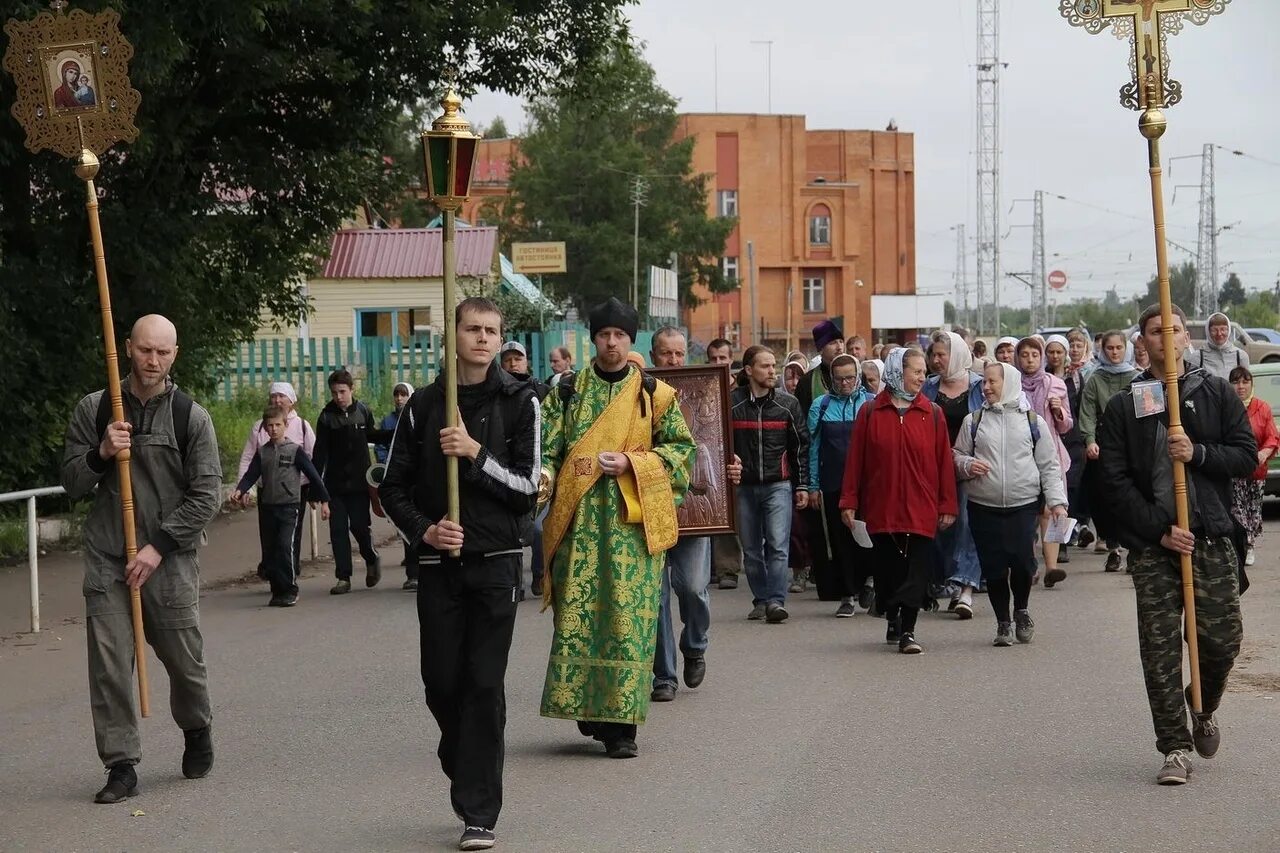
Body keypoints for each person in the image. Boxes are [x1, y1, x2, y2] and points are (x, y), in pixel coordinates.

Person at [379, 297, 540, 850]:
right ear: (453, 334)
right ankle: (461, 754)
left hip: (496, 564)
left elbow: (527, 491)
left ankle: (479, 812)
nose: (482, 339)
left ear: (501, 340)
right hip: (439, 566)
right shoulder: (423, 407)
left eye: (492, 331)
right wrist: (425, 530)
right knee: (442, 683)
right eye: (472, 329)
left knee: (483, 685)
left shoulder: (521, 402)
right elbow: (392, 488)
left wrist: (475, 453)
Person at [60, 314, 222, 804]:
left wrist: (158, 547)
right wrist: (101, 453)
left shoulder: (190, 416)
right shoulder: (95, 409)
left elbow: (208, 494)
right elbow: (70, 482)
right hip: (109, 555)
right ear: (127, 348)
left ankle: (197, 729)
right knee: (109, 665)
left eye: (163, 352)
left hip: (167, 559)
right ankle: (121, 765)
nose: (153, 361)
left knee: (184, 662)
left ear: (175, 355)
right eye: (145, 350)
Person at [1096, 302, 1255, 786]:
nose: (1166, 336)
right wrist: (1157, 529)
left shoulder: (1216, 392)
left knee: (1222, 640)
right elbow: (1114, 480)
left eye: (1175, 328)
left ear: (1188, 337)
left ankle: (1201, 703)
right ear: (1143, 342)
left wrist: (1198, 452)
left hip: (1209, 534)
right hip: (1156, 545)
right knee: (1160, 649)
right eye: (1155, 331)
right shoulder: (1127, 404)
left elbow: (1245, 455)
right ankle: (1175, 746)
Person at [538, 297, 695, 759]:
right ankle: (590, 709)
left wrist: (632, 462)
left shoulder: (655, 395)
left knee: (628, 624)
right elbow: (545, 448)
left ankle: (623, 728)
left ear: (632, 340)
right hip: (579, 526)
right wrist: (543, 478)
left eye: (620, 336)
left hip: (632, 528)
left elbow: (681, 452)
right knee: (582, 619)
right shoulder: (568, 392)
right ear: (593, 340)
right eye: (604, 335)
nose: (611, 343)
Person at [648, 327, 742, 702]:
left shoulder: (704, 389)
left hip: (693, 511)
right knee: (654, 598)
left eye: (678, 354)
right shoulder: (639, 394)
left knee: (691, 586)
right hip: (650, 509)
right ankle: (664, 676)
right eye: (666, 354)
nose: (673, 361)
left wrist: (731, 467)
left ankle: (696, 644)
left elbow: (716, 444)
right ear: (654, 356)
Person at [842, 348, 956, 653]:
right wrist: (849, 501)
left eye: (923, 372)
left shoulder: (932, 414)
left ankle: (908, 630)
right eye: (916, 371)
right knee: (888, 570)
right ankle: (892, 615)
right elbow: (856, 461)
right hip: (882, 506)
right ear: (897, 372)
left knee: (916, 569)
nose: (922, 377)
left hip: (921, 507)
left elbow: (944, 462)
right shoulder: (870, 412)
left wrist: (947, 504)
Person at [954, 362, 1067, 646]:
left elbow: (1049, 466)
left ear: (1010, 383)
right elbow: (956, 456)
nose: (986, 387)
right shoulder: (974, 421)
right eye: (985, 382)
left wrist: (1057, 502)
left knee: (1022, 563)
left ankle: (1022, 610)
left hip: (1022, 504)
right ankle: (1003, 623)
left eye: (992, 382)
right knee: (993, 568)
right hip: (983, 506)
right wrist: (967, 464)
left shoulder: (1032, 422)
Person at [730, 345, 809, 622]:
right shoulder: (732, 404)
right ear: (749, 370)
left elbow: (800, 447)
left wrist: (802, 486)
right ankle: (761, 599)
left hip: (779, 484)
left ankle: (776, 601)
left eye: (773, 365)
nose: (772, 371)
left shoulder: (787, 405)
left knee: (777, 545)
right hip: (745, 487)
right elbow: (721, 445)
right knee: (751, 550)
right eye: (765, 366)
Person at [230, 405, 332, 607]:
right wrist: (240, 490)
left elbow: (313, 475)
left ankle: (290, 589)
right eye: (270, 425)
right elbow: (252, 474)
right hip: (268, 506)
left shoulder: (295, 450)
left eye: (278, 424)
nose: (274, 429)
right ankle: (277, 591)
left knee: (286, 546)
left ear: (285, 425)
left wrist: (325, 501)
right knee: (272, 550)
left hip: (289, 507)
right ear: (265, 429)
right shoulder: (263, 452)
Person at [313, 368, 392, 595]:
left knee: (359, 526)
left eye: (342, 392)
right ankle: (343, 577)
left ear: (351, 390)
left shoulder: (363, 411)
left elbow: (371, 435)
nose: (338, 397)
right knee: (338, 531)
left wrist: (393, 434)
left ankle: (370, 556)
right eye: (334, 392)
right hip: (335, 484)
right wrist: (316, 489)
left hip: (359, 482)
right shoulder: (326, 416)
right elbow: (320, 453)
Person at [923, 330, 985, 617]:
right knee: (940, 526)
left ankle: (966, 588)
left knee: (968, 526)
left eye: (941, 355)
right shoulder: (927, 389)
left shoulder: (979, 387)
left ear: (957, 354)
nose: (936, 360)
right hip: (933, 468)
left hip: (969, 468)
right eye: (933, 354)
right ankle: (944, 579)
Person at [807, 354, 874, 614]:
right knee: (840, 539)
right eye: (839, 378)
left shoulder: (871, 403)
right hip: (834, 482)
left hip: (867, 483)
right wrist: (813, 486)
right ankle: (847, 595)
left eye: (850, 377)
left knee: (867, 535)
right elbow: (813, 448)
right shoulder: (820, 406)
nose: (845, 383)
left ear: (858, 377)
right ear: (831, 379)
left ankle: (870, 581)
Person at [237, 381, 314, 582]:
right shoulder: (259, 426)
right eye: (274, 396)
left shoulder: (303, 426)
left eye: (282, 396)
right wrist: (242, 487)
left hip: (296, 488)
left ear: (292, 401)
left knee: (290, 534)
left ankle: (290, 572)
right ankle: (272, 569)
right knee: (269, 533)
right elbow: (249, 458)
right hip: (267, 487)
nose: (277, 400)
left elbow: (312, 457)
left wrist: (316, 489)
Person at [1079, 331, 1140, 572]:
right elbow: (1088, 412)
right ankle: (1113, 549)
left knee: (1134, 499)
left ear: (1126, 349)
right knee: (1105, 499)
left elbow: (1146, 412)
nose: (1115, 352)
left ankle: (1136, 550)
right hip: (1104, 446)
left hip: (1132, 445)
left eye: (1119, 348)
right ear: (1103, 350)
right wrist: (1090, 441)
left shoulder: (1138, 377)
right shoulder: (1096, 378)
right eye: (1110, 348)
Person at [1015, 337, 1073, 588]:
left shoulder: (1055, 384)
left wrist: (1058, 410)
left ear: (1042, 358)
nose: (1029, 359)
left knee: (1052, 509)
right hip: (1020, 455)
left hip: (1051, 455)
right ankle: (1029, 566)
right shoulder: (1011, 384)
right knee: (1027, 512)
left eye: (1034, 355)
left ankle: (1052, 566)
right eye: (1025, 355)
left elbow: (1066, 425)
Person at [500, 341, 553, 599]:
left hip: (541, 471)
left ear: (526, 361)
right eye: (507, 359)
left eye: (517, 358)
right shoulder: (495, 392)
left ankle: (540, 574)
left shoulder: (542, 391)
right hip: (506, 470)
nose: (513, 364)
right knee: (513, 531)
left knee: (540, 530)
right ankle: (515, 583)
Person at [1227, 365, 1279, 569]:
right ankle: (1241, 544)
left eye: (1245, 382)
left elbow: (1272, 436)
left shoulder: (1262, 407)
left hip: (1257, 471)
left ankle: (1250, 544)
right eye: (1236, 382)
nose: (1240, 387)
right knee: (1236, 509)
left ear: (1251, 384)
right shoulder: (1226, 408)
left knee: (1253, 509)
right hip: (1234, 469)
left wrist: (1264, 453)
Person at [1044, 334, 1087, 566]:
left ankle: (1065, 538)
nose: (1055, 356)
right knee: (1053, 497)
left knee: (1067, 494)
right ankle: (1057, 546)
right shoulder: (1041, 379)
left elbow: (1082, 407)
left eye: (1059, 351)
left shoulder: (1077, 377)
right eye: (1051, 351)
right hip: (1050, 441)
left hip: (1072, 440)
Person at [705, 338, 744, 589]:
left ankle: (728, 568)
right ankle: (709, 567)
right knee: (706, 512)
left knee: (730, 515)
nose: (719, 363)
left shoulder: (740, 392)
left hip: (735, 459)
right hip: (708, 457)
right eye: (714, 358)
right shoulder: (703, 386)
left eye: (723, 358)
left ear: (731, 360)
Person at [376, 381, 420, 589]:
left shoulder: (418, 417)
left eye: (404, 395)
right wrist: (387, 464)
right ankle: (412, 573)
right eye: (397, 395)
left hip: (418, 479)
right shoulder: (388, 421)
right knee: (407, 523)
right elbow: (382, 447)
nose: (400, 398)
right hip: (398, 478)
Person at [1189, 312, 1249, 380]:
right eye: (1214, 330)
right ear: (1208, 332)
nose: (1219, 334)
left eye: (1223, 329)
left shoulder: (1240, 356)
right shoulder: (1197, 357)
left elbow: (1246, 383)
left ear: (1228, 330)